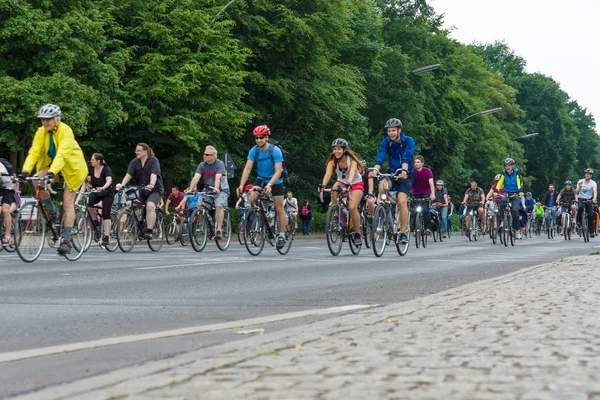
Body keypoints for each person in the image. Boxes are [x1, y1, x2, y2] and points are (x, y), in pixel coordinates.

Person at [18, 104, 88, 255]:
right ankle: (52, 210)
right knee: (36, 180)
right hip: (54, 166)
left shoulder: (66, 131)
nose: (45, 122)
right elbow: (34, 152)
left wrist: (51, 173)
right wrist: (25, 171)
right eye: (42, 120)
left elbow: (62, 154)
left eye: (48, 119)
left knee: (68, 202)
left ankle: (67, 241)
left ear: (57, 119)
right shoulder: (40, 132)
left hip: (73, 168)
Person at [237, 125, 287, 249]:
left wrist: (270, 184)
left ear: (267, 137)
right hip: (261, 178)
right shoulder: (254, 150)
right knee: (252, 198)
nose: (258, 140)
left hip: (276, 180)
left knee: (279, 207)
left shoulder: (275, 150)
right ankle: (261, 215)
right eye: (256, 138)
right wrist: (241, 185)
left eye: (261, 137)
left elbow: (278, 171)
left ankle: (281, 235)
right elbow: (248, 168)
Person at [369, 118, 414, 244]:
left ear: (399, 130)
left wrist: (404, 171)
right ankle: (384, 207)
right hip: (391, 173)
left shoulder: (408, 141)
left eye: (393, 130)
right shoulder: (386, 142)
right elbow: (381, 155)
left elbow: (407, 156)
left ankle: (403, 233)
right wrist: (376, 170)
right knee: (382, 184)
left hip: (406, 174)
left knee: (401, 201)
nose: (391, 133)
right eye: (389, 131)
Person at [319, 138, 364, 245]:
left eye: (339, 149)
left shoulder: (351, 160)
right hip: (341, 182)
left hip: (356, 183)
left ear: (344, 150)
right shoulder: (332, 161)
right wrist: (322, 185)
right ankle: (336, 215)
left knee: (352, 208)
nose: (336, 151)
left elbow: (352, 172)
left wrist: (349, 183)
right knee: (333, 191)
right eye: (334, 149)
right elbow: (328, 174)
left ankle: (357, 234)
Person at [116, 143, 164, 240]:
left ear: (145, 151)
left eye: (139, 150)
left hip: (154, 190)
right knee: (131, 204)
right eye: (136, 150)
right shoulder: (134, 162)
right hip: (140, 190)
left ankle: (149, 231)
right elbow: (128, 174)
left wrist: (151, 184)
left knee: (150, 205)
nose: (136, 152)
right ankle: (141, 224)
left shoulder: (153, 160)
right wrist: (122, 185)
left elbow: (153, 174)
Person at [187, 146, 229, 239]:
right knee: (199, 205)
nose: (204, 156)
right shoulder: (202, 165)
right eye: (204, 154)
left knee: (218, 205)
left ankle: (218, 230)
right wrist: (190, 189)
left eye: (207, 154)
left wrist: (216, 188)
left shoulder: (219, 164)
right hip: (208, 189)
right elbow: (196, 177)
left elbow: (218, 177)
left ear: (213, 156)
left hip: (221, 190)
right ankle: (204, 226)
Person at [86, 153, 114, 247]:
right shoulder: (90, 167)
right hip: (96, 191)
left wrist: (103, 187)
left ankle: (106, 236)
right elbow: (85, 178)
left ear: (98, 161)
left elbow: (109, 181)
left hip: (107, 192)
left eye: (93, 160)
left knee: (106, 214)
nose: (91, 161)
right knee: (89, 206)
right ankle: (95, 223)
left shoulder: (106, 169)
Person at [495, 158, 524, 239]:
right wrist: (496, 191)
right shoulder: (504, 173)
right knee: (502, 203)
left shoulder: (516, 172)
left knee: (515, 210)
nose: (507, 167)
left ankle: (517, 230)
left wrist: (520, 191)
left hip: (515, 193)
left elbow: (519, 182)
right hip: (506, 193)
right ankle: (503, 221)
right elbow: (500, 182)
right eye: (506, 166)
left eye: (509, 166)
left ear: (512, 166)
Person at [411, 155, 436, 235]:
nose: (416, 164)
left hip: (426, 193)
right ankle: (415, 229)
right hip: (415, 193)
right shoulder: (412, 171)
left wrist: (432, 194)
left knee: (425, 210)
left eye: (418, 162)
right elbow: (409, 183)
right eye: (415, 162)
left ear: (422, 163)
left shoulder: (427, 171)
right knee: (415, 211)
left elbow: (431, 183)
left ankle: (427, 228)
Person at [576, 168, 597, 237]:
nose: (587, 175)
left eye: (589, 174)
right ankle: (579, 223)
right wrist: (579, 187)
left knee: (590, 215)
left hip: (589, 200)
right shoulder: (580, 181)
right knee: (580, 209)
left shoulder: (593, 183)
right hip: (581, 199)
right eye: (586, 174)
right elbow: (576, 192)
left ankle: (591, 231)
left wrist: (594, 198)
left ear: (591, 176)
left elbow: (595, 190)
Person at [0, 161, 16, 248]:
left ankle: (7, 235)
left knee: (5, 210)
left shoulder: (0, 165)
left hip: (7, 188)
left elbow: (1, 174)